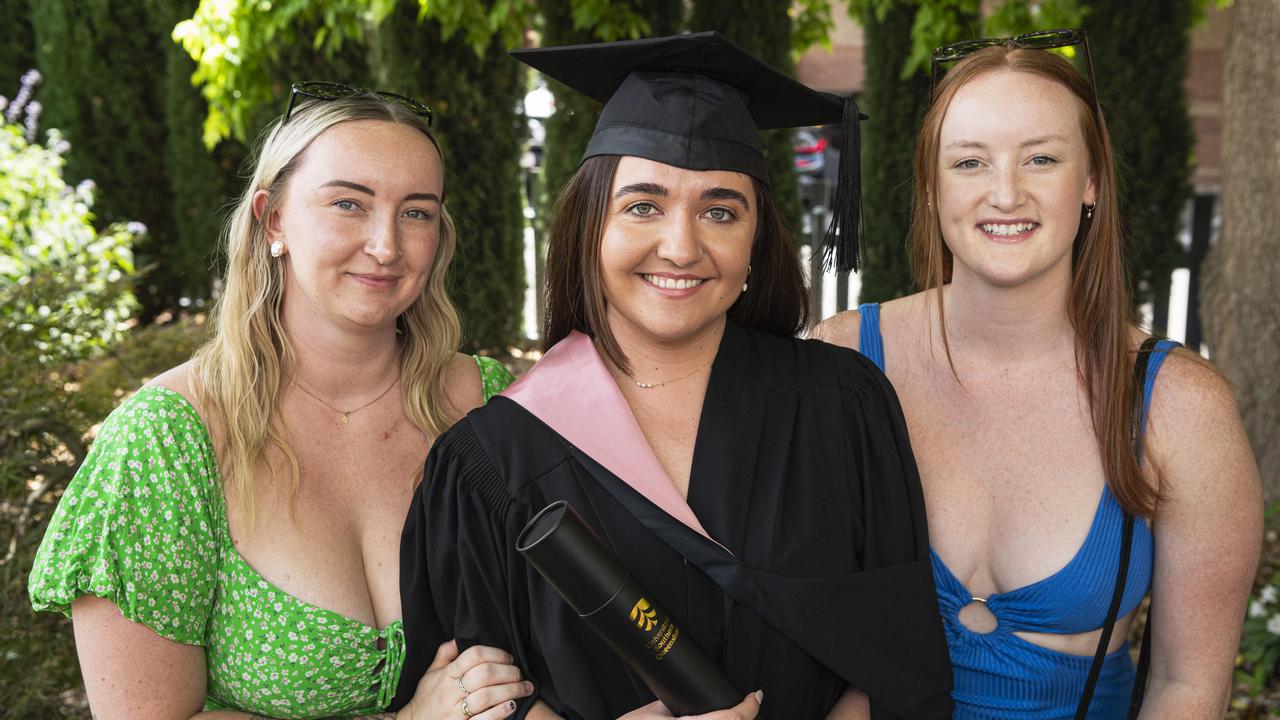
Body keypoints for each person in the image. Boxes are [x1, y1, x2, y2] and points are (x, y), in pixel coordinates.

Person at [392, 33, 953, 720]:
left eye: (720, 211)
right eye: (642, 206)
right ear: (590, 224)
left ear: (755, 243)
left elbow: (898, 659)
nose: (681, 246)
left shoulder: (842, 406)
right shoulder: (491, 461)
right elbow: (479, 692)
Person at [28, 85, 532, 719]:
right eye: (348, 203)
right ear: (272, 220)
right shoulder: (168, 441)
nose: (386, 245)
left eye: (417, 211)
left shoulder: (488, 407)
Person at [813, 30, 1262, 719]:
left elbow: (1187, 685)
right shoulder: (842, 363)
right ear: (931, 186)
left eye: (1042, 158)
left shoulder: (1178, 405)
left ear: (1090, 183)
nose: (1005, 193)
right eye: (969, 162)